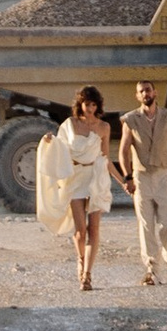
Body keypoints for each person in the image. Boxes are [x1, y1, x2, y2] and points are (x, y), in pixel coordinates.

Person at [118, 77, 167, 286]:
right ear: (137, 96)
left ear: (155, 92)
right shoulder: (130, 120)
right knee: (146, 225)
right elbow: (123, 151)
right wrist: (127, 176)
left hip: (164, 176)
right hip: (141, 177)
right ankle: (151, 270)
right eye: (141, 92)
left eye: (148, 90)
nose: (145, 94)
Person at [53, 87, 115, 292]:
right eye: (87, 104)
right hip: (75, 177)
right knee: (80, 232)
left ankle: (87, 274)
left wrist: (124, 181)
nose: (90, 108)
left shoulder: (104, 127)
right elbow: (58, 149)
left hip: (96, 177)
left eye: (94, 104)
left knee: (94, 229)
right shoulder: (70, 124)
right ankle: (81, 261)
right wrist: (47, 141)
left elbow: (105, 159)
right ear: (80, 104)